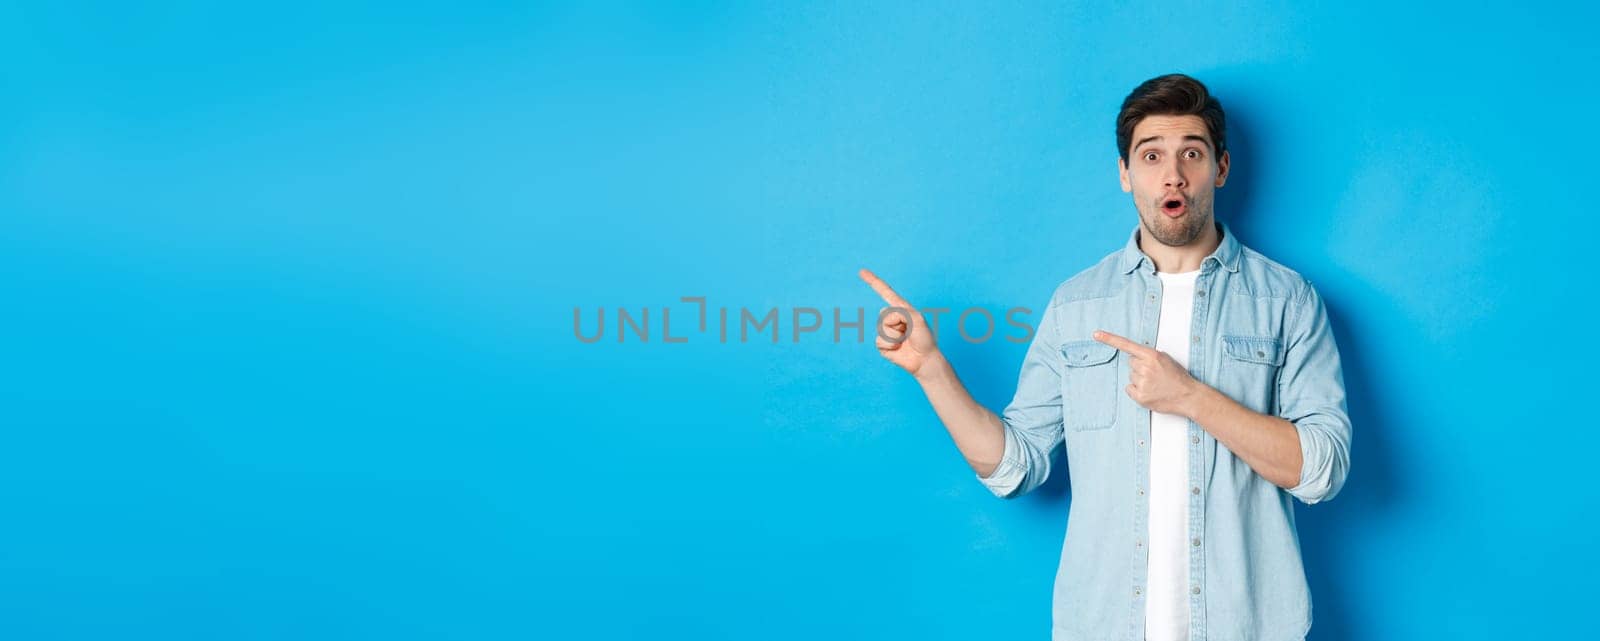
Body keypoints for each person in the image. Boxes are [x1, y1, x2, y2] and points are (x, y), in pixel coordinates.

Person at [858, 73, 1351, 641]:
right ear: (1125, 174)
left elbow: (1322, 470)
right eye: (1151, 155)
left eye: (1192, 152)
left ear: (1220, 168)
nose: (1173, 174)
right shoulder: (1077, 304)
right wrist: (931, 371)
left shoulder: (1286, 300)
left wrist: (1190, 396)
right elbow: (1014, 467)